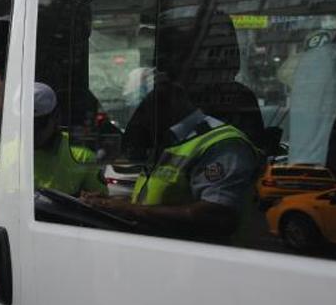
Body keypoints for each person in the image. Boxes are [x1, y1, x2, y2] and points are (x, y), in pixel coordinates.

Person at [83, 79, 259, 240]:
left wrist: (128, 210)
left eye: (143, 109)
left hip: (205, 263)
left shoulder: (222, 144)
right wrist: (111, 204)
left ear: (172, 100)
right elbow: (156, 203)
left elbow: (217, 216)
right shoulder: (166, 140)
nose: (138, 119)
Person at [33, 82, 108, 197]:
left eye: (38, 125)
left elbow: (102, 200)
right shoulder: (4, 153)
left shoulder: (81, 155)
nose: (32, 133)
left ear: (56, 117)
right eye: (24, 126)